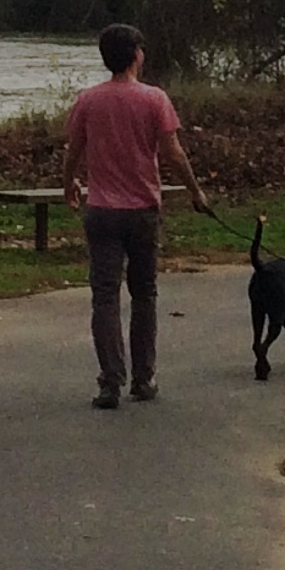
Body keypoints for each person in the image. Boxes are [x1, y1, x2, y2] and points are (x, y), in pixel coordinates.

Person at [59, 22, 211, 408]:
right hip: (142, 210)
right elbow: (173, 152)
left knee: (104, 297)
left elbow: (73, 149)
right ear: (137, 55)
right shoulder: (154, 99)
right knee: (144, 294)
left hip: (102, 211)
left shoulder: (88, 100)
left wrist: (69, 183)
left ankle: (110, 381)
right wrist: (195, 191)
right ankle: (143, 379)